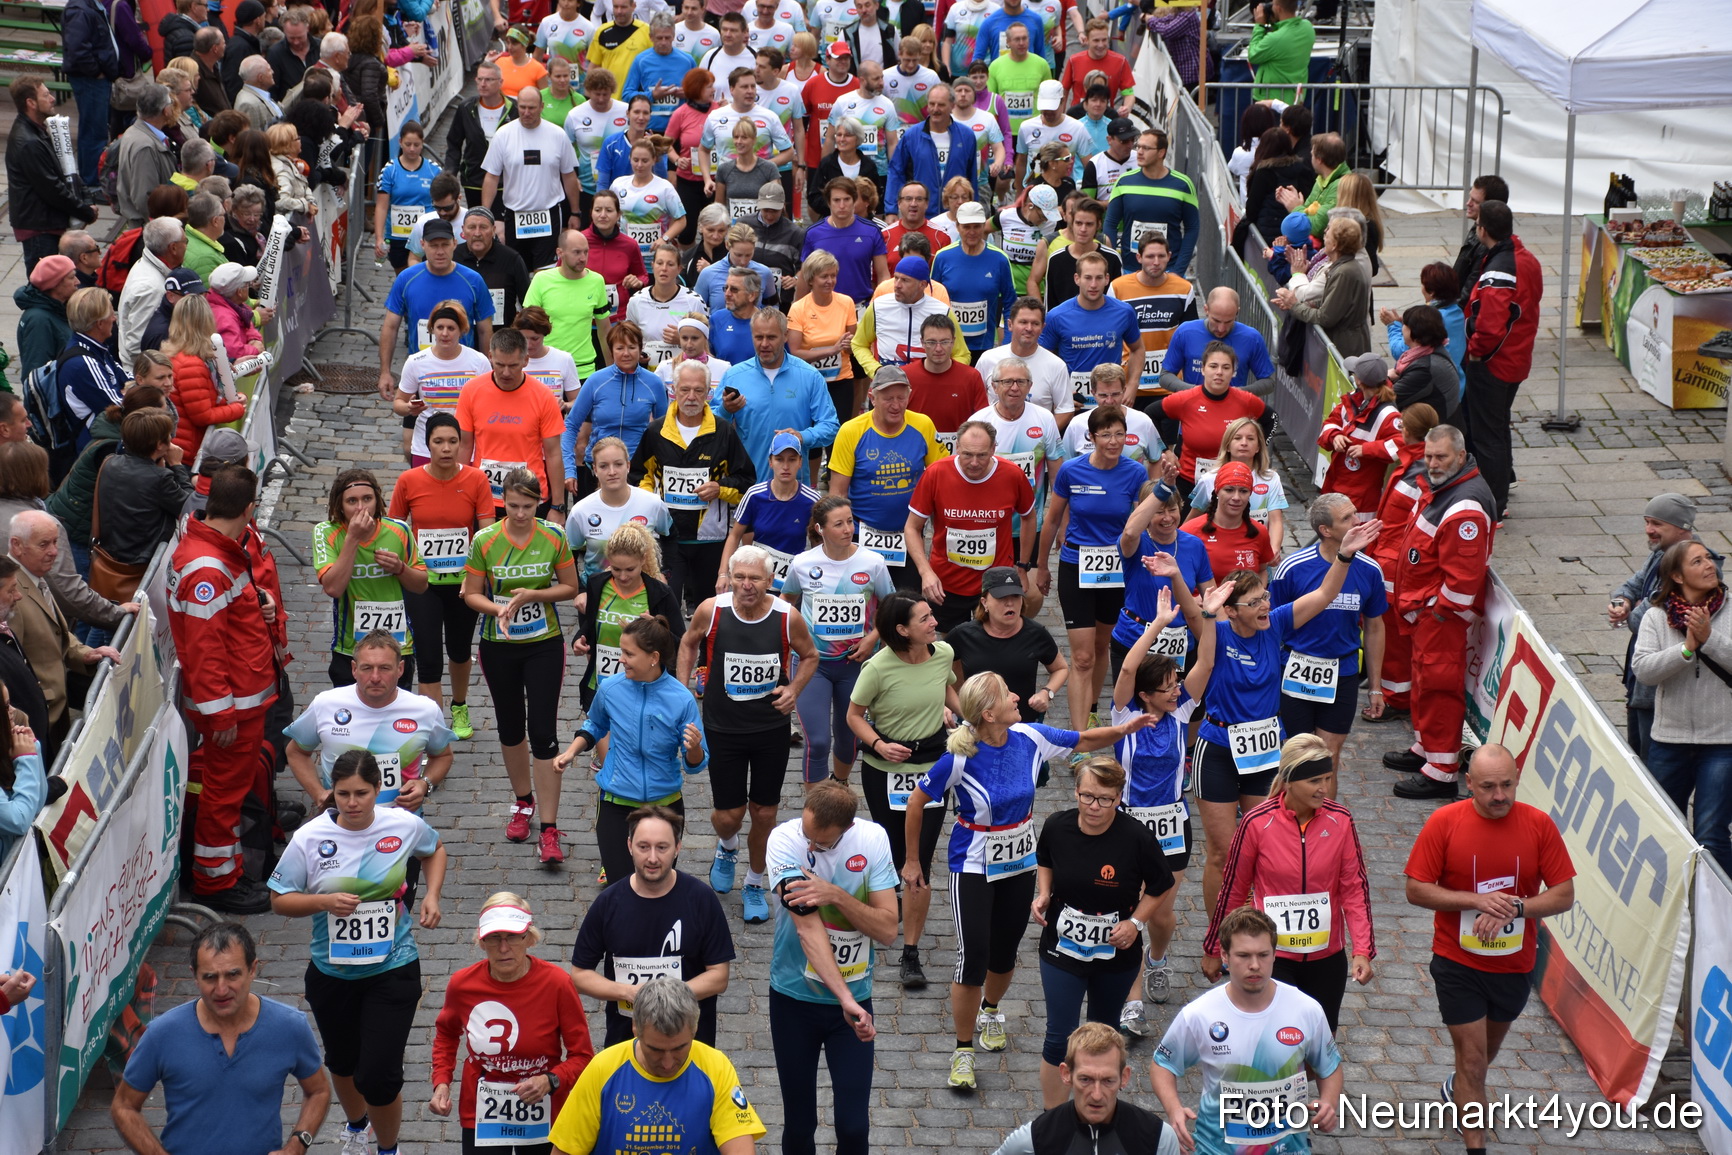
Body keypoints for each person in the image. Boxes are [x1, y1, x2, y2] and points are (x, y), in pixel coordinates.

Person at [908, 671, 1149, 1090]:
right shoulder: (959, 758)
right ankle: (963, 1049)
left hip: (1019, 861)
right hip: (974, 863)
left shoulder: (1029, 736)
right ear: (989, 712)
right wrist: (913, 861)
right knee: (973, 955)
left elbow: (1082, 741)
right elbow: (917, 801)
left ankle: (991, 1009)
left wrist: (1123, 729)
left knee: (1004, 953)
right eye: (1007, 693)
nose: (1017, 695)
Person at [1188, 519, 1381, 924]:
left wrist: (1344, 554)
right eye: (1254, 602)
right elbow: (1200, 673)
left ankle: (1259, 933)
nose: (1264, 606)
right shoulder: (1219, 633)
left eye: (1265, 597)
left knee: (1263, 849)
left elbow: (1326, 593)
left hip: (1263, 756)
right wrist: (1206, 617)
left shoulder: (1275, 625)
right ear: (1230, 611)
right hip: (1219, 750)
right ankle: (1219, 935)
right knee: (1223, 854)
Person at [269, 751, 446, 1155]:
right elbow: (279, 899)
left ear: (377, 790)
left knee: (378, 1074)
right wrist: (323, 902)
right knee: (343, 1063)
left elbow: (434, 850)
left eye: (361, 793)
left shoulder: (401, 824)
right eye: (343, 793)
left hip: (393, 967)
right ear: (332, 790)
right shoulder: (310, 838)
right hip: (332, 972)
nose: (351, 803)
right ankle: (356, 1125)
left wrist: (432, 896)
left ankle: (388, 1149)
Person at [1404, 744, 1576, 1155]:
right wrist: (1474, 901)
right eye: (1488, 787)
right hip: (1456, 961)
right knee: (1476, 1061)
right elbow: (1415, 889)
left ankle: (1457, 1086)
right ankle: (1475, 1147)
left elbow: (1564, 895)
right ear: (1469, 784)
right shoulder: (1444, 822)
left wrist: (1518, 906)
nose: (1499, 796)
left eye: (1507, 785)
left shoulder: (1538, 825)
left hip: (1514, 966)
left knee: (1484, 1055)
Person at [1107, 568, 1227, 1030]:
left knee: (1163, 912)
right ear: (1144, 696)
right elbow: (1127, 668)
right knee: (1135, 908)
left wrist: (1209, 618)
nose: (1177, 689)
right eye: (1167, 686)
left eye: (1177, 684)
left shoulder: (1179, 713)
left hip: (1173, 822)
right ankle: (1132, 999)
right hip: (1132, 821)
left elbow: (1208, 664)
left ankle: (1158, 960)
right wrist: (1155, 625)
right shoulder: (1125, 714)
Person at [678, 546, 819, 922]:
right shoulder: (712, 610)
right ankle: (727, 846)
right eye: (739, 577)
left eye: (755, 578)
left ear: (770, 582)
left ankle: (756, 881)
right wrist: (681, 690)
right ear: (730, 578)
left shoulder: (787, 617)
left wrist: (794, 691)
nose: (746, 585)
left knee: (765, 811)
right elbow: (688, 643)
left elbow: (811, 655)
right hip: (722, 727)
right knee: (729, 815)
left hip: (770, 728)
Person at [1204, 734, 1375, 1036]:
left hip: (1327, 957)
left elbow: (1354, 889)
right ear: (1290, 780)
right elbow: (1233, 889)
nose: (1324, 788)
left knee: (1318, 1046)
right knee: (1276, 1042)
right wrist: (1215, 947)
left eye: (1327, 778)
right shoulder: (1256, 823)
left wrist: (1362, 949)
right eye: (1314, 781)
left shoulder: (1341, 821)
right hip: (1272, 956)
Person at [761, 779, 898, 1155]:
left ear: (847, 828)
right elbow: (807, 928)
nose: (809, 848)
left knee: (854, 1128)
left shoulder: (871, 839)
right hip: (794, 999)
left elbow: (888, 928)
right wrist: (845, 999)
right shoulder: (784, 840)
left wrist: (836, 894)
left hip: (854, 1004)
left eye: (820, 844)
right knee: (800, 1123)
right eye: (807, 835)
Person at [112, 923, 331, 1155]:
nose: (222, 989)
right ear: (194, 977)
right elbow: (124, 1106)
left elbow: (319, 1091)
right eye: (209, 977)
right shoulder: (162, 1034)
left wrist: (297, 1145)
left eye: (232, 974)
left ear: (253, 969)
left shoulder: (289, 1026)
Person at [163, 467, 276, 912]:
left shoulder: (212, 553)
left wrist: (258, 605)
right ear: (249, 509)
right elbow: (205, 652)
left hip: (238, 701)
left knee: (226, 791)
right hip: (233, 709)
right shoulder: (207, 566)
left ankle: (225, 870)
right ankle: (217, 883)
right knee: (223, 795)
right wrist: (221, 716)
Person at [1031, 755, 1173, 1103]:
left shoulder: (1136, 838)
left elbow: (1161, 884)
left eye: (1105, 799)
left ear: (1119, 798)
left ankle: (1096, 1109)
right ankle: (1053, 1120)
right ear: (1076, 791)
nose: (1095, 806)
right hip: (1062, 949)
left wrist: (1135, 923)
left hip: (1116, 954)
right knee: (1058, 1036)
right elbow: (1045, 859)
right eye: (1088, 796)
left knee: (1103, 1035)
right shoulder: (1056, 826)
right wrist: (1044, 893)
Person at [1151, 907, 1344, 1155]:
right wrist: (1174, 1108)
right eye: (1243, 955)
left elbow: (1330, 1066)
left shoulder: (1306, 1009)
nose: (1255, 965)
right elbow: (1162, 1065)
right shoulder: (1200, 1014)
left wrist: (1329, 1101)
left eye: (1263, 955)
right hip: (1217, 1148)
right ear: (1225, 955)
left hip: (1288, 1149)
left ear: (1275, 954)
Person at [461, 468, 580, 865]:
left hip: (544, 644)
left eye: (528, 506)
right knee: (511, 728)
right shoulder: (485, 540)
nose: (520, 514)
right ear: (503, 500)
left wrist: (533, 594)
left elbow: (570, 587)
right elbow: (470, 594)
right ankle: (522, 803)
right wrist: (499, 608)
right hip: (500, 645)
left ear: (539, 502)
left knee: (543, 732)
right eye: (512, 506)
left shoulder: (553, 536)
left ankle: (549, 827)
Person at [431, 893, 593, 1153]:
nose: (503, 948)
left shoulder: (557, 984)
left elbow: (583, 1056)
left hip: (545, 1108)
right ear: (481, 942)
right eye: (494, 938)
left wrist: (549, 1080)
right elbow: (447, 1034)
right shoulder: (462, 985)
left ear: (528, 938)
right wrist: (441, 1082)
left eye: (513, 937)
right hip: (483, 1112)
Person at [1385, 426, 1497, 800]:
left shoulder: (1465, 506)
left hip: (1441, 619)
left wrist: (1434, 614)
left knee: (1438, 686)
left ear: (1460, 457)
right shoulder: (1446, 488)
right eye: (1429, 456)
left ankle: (1442, 770)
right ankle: (1426, 748)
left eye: (1441, 458)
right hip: (1428, 614)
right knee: (1424, 681)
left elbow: (1462, 583)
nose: (1431, 464)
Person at [556, 616, 708, 885]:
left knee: (658, 884)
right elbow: (595, 725)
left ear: (653, 657)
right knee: (619, 886)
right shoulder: (611, 688)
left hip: (665, 806)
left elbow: (695, 764)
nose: (621, 659)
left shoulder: (681, 699)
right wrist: (571, 752)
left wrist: (694, 748)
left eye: (628, 653)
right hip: (616, 804)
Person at [570, 805, 735, 1048]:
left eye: (662, 847)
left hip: (690, 1044)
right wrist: (627, 993)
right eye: (643, 847)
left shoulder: (701, 899)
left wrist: (664, 997)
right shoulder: (608, 904)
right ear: (629, 846)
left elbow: (719, 977)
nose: (653, 858)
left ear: (677, 848)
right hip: (625, 1043)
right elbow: (580, 975)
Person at [549, 977, 765, 1155]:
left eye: (680, 1048)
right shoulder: (603, 1069)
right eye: (656, 1050)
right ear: (635, 1027)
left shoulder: (715, 1067)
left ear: (695, 1028)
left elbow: (740, 1145)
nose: (668, 1063)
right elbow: (566, 1149)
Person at [1033, 404, 1148, 736]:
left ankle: (1093, 710)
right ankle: (1078, 736)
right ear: (1092, 437)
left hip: (1116, 571)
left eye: (1119, 434)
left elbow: (1140, 524)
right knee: (1081, 657)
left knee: (1102, 647)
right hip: (1076, 566)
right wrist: (1042, 567)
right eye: (1106, 435)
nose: (1113, 441)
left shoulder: (1135, 473)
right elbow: (1052, 519)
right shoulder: (1071, 470)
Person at [1631, 538, 1732, 872]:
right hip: (1669, 741)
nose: (1709, 566)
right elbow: (1643, 670)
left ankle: (1721, 912)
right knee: (1663, 831)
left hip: (1722, 742)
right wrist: (1686, 650)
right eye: (1697, 561)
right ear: (1676, 575)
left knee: (1711, 835)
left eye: (1709, 559)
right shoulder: (1656, 617)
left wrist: (1710, 640)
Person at [284, 629, 454, 814]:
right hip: (342, 822)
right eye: (367, 668)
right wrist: (318, 794)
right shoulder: (326, 704)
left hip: (401, 823)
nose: (375, 677)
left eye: (384, 668)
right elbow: (296, 752)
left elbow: (442, 756)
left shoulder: (425, 710)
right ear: (354, 669)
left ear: (400, 669)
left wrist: (425, 784)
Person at [1269, 493, 1386, 761]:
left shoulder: (1370, 570)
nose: (1357, 521)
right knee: (1297, 755)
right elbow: (1271, 627)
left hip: (1342, 672)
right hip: (1294, 669)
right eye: (1347, 518)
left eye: (1355, 512)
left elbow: (1375, 627)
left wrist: (1376, 687)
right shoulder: (1292, 568)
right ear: (1326, 531)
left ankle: (1324, 806)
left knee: (1329, 756)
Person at [635, 362, 755, 613]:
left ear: (709, 393)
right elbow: (638, 477)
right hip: (666, 538)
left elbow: (746, 481)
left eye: (699, 390)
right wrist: (650, 501)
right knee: (662, 610)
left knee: (708, 612)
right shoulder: (656, 431)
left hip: (710, 541)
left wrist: (719, 488)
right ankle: (666, 653)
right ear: (674, 391)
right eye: (685, 390)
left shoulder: (723, 431)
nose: (691, 397)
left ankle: (706, 653)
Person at [907, 425, 1038, 632]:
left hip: (995, 583)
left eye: (982, 455)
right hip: (946, 582)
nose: (974, 463)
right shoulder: (936, 473)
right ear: (957, 447)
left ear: (994, 449)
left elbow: (1029, 518)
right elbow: (912, 527)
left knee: (997, 644)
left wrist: (1022, 567)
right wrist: (926, 572)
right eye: (967, 454)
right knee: (951, 650)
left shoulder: (1012, 475)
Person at [1608, 494, 1710, 759]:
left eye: (1656, 524)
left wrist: (1632, 611)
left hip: (1661, 687)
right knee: (1637, 758)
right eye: (1646, 522)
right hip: (1640, 682)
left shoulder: (1688, 569)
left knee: (1649, 767)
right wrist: (1622, 601)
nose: (1648, 530)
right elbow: (1630, 586)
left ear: (1681, 528)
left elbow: (1640, 621)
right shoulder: (1661, 555)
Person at [827, 366, 945, 590]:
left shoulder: (923, 425)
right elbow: (837, 494)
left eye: (901, 398)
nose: (896, 405)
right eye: (888, 398)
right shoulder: (851, 431)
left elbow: (941, 477)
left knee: (905, 608)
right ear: (872, 397)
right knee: (863, 605)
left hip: (908, 535)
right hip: (862, 535)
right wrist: (836, 541)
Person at [1460, 200, 1541, 518]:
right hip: (1516, 359)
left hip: (1494, 364)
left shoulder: (1499, 270)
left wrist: (1477, 351)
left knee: (1487, 435)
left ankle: (1493, 504)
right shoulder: (1526, 258)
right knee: (1498, 429)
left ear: (1483, 229)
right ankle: (1500, 493)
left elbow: (1490, 326)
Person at [313, 469, 427, 688]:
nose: (360, 508)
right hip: (350, 648)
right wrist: (353, 538)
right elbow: (333, 587)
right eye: (351, 501)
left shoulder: (399, 530)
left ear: (377, 499)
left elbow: (421, 585)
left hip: (398, 646)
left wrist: (400, 568)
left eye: (367, 499)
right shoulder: (326, 532)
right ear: (339, 505)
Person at [993, 1022, 1179, 1155]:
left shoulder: (1157, 1138)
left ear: (1124, 1077)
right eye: (1086, 1079)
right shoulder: (1036, 1138)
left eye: (1108, 1081)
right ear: (1066, 1074)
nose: (1097, 1095)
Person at [572, 520, 681, 724]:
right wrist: (579, 640)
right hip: (602, 685)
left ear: (642, 560)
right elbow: (589, 627)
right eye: (616, 569)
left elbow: (680, 642)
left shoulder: (659, 593)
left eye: (630, 570)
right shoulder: (597, 584)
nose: (622, 576)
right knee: (604, 751)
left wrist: (658, 630)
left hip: (644, 689)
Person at [718, 308, 840, 487]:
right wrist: (725, 411)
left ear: (785, 336)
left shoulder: (809, 376)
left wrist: (802, 436)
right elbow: (711, 425)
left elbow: (830, 426)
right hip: (748, 486)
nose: (764, 344)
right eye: (759, 337)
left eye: (771, 337)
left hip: (795, 488)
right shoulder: (734, 376)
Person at [378, 219, 496, 397]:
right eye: (433, 245)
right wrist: (385, 372)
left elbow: (485, 330)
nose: (440, 252)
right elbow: (390, 326)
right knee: (414, 423)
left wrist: (488, 374)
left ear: (455, 243)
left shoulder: (473, 280)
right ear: (422, 245)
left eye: (445, 245)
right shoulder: (406, 279)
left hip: (464, 377)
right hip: (421, 374)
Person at [459, 329, 569, 515]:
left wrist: (558, 505)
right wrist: (459, 493)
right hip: (485, 496)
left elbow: (553, 453)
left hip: (529, 498)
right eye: (499, 364)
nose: (506, 372)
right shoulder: (471, 391)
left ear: (526, 360)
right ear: (491, 357)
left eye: (513, 365)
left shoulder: (543, 396)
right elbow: (464, 447)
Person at [5, 79, 99, 273]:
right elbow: (51, 188)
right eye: (46, 95)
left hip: (45, 223)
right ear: (31, 103)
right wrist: (85, 211)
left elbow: (65, 171)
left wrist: (86, 198)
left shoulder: (37, 131)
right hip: (40, 228)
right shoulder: (29, 141)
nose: (52, 99)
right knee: (48, 288)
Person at [564, 321, 669, 490]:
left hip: (639, 470)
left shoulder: (654, 383)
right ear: (611, 351)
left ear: (640, 348)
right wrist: (569, 470)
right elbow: (571, 425)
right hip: (600, 467)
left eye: (632, 347)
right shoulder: (596, 381)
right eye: (620, 348)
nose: (626, 353)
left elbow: (666, 429)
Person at [1159, 341, 1270, 493]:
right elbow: (1151, 415)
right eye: (1213, 366)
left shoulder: (1246, 400)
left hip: (1234, 484)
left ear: (1233, 372)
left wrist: (1257, 448)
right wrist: (1164, 450)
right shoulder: (1185, 399)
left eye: (1226, 367)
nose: (1219, 372)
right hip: (1190, 483)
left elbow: (1272, 419)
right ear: (1203, 369)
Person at [393, 302, 493, 466]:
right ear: (432, 329)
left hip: (468, 448)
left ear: (461, 330)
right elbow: (398, 404)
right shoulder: (416, 362)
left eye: (451, 328)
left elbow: (490, 404)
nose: (445, 333)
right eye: (440, 327)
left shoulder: (478, 362)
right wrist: (409, 408)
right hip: (426, 448)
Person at [91, 409, 195, 568]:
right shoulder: (160, 478)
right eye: (169, 436)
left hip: (110, 555)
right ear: (160, 445)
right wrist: (177, 465)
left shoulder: (110, 462)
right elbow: (191, 507)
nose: (172, 440)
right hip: (141, 564)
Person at [567, 437, 673, 589]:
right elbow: (570, 553)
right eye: (604, 466)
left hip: (642, 593)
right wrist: (580, 591)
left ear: (628, 466)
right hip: (598, 595)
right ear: (595, 470)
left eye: (618, 464)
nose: (612, 472)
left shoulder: (652, 503)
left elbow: (670, 537)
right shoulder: (581, 511)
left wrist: (665, 572)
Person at [1100, 129, 1198, 278]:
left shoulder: (1183, 184)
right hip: (1130, 270)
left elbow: (1192, 228)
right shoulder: (1124, 181)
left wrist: (1178, 270)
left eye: (1146, 148)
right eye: (1138, 147)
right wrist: (1113, 263)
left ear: (1161, 153)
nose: (1139, 152)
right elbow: (1111, 223)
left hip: (1169, 271)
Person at [1110, 234, 1195, 402]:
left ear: (1169, 256)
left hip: (1171, 386)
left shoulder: (1184, 289)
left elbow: (1191, 338)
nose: (1156, 262)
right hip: (1129, 387)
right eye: (1150, 256)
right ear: (1139, 257)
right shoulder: (1118, 288)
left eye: (1161, 256)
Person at [931, 202, 1018, 362]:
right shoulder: (943, 257)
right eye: (966, 227)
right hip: (949, 347)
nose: (972, 232)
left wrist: (1007, 342)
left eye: (977, 227)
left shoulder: (999, 259)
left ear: (984, 226)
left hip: (985, 347)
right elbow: (931, 301)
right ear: (957, 226)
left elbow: (1010, 304)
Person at [1274, 216, 1372, 357]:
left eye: (1327, 234)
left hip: (1345, 349)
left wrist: (1294, 305)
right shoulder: (1342, 267)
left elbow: (1325, 317)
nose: (1323, 236)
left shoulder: (1344, 272)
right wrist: (1307, 304)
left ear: (1335, 245)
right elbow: (1334, 304)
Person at [523, 229, 613, 376]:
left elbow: (604, 331)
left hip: (584, 369)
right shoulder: (541, 280)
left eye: (586, 252)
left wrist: (612, 370)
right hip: (547, 368)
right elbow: (526, 327)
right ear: (560, 253)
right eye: (576, 252)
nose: (583, 258)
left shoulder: (597, 281)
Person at [1159, 287, 1276, 396]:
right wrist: (1196, 392)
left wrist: (1237, 393)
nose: (1221, 329)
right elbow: (1165, 376)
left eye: (1228, 321)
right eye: (1216, 320)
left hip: (1235, 413)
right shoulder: (1185, 332)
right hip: (1194, 410)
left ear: (1237, 312)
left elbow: (1269, 382)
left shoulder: (1251, 338)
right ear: (1206, 310)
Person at [787, 250, 861, 422]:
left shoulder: (846, 302)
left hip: (841, 380)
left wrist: (851, 345)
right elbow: (795, 353)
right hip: (808, 382)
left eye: (833, 276)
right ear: (811, 279)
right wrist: (832, 350)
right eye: (824, 276)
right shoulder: (798, 308)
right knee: (810, 439)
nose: (830, 281)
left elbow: (852, 348)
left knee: (836, 437)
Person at [447, 61, 518, 208]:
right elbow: (454, 143)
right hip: (474, 181)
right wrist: (450, 174)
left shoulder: (515, 109)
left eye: (489, 79)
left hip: (506, 182)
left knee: (502, 227)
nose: (483, 84)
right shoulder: (466, 108)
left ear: (500, 82)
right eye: (480, 79)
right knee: (478, 225)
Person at [373, 121, 442, 271]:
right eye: (408, 144)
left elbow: (443, 202)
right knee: (404, 278)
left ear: (422, 143)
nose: (412, 149)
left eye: (416, 145)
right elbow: (382, 206)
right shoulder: (389, 171)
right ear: (400, 142)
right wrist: (379, 238)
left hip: (426, 235)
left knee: (426, 276)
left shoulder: (434, 170)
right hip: (398, 237)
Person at [1385, 304, 1462, 427]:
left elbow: (1387, 398)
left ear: (1413, 332)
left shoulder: (1425, 368)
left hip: (1436, 436)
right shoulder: (1433, 350)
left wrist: (1386, 378)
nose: (1402, 328)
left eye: (1404, 325)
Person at [1451, 175, 1508, 310]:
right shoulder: (1478, 228)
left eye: (1475, 201)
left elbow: (1469, 292)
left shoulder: (1486, 243)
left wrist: (1445, 313)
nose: (1468, 203)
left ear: (1490, 207)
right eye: (1470, 197)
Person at [1245, 0, 1314, 101]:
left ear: (1278, 8)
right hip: (1295, 98)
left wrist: (1259, 26)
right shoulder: (1308, 27)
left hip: (1270, 101)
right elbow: (1285, 34)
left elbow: (1253, 56)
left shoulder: (1275, 39)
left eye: (1272, 4)